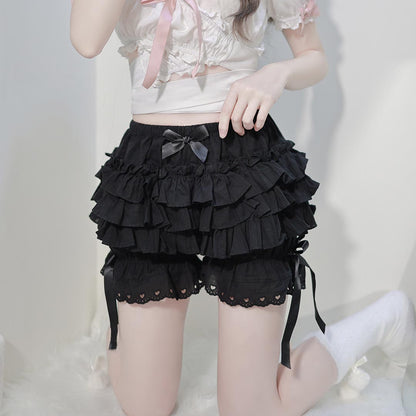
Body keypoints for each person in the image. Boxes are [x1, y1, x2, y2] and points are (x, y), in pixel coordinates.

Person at [70, 1, 416, 415]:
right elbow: (86, 41)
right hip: (150, 172)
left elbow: (314, 57)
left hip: (243, 169)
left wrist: (277, 73)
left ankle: (385, 319)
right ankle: (126, 341)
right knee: (146, 408)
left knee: (250, 410)